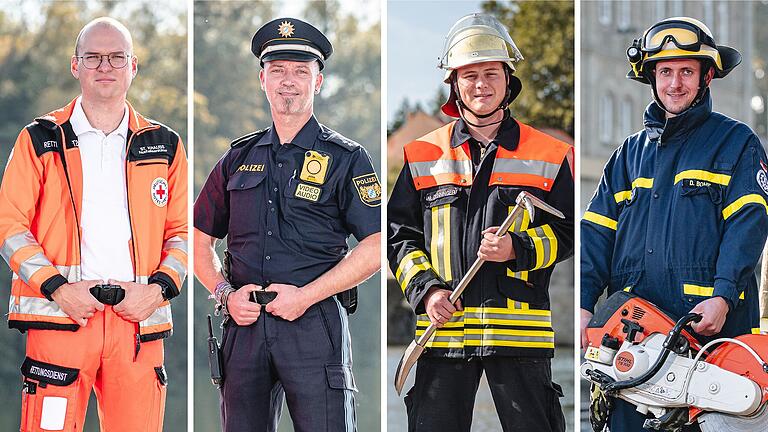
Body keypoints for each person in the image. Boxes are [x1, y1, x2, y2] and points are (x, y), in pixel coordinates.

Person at [193, 17, 381, 432]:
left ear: (319, 82)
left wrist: (307, 296)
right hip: (243, 328)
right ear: (263, 79)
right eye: (277, 70)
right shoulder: (236, 159)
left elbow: (376, 246)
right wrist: (224, 294)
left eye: (301, 71)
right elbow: (198, 237)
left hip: (314, 327)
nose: (288, 81)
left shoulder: (347, 158)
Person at [387, 13, 573, 432]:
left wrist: (517, 249)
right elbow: (399, 237)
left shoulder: (550, 153)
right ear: (454, 84)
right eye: (469, 75)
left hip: (521, 338)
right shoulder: (421, 155)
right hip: (443, 333)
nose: (481, 84)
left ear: (509, 81)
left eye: (491, 73)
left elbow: (566, 233)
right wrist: (428, 291)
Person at [0, 17, 187, 431]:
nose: (106, 66)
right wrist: (57, 288)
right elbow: (9, 225)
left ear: (133, 66)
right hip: (62, 319)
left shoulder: (165, 145)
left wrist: (157, 291)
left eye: (117, 57)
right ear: (75, 66)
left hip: (137, 323)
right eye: (94, 57)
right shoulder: (39, 138)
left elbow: (184, 232)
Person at [581, 17, 768, 431]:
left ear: (707, 76)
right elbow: (595, 233)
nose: (675, 83)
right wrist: (581, 305)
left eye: (687, 70)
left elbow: (748, 228)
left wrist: (722, 297)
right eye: (665, 71)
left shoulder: (737, 144)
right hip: (630, 340)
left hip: (711, 340)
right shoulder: (628, 155)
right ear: (651, 77)